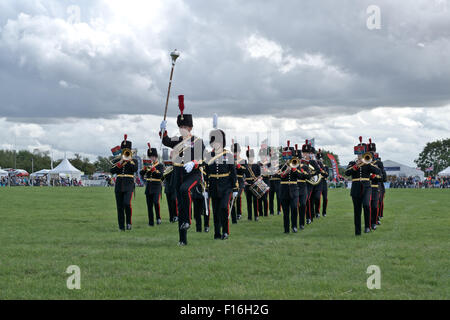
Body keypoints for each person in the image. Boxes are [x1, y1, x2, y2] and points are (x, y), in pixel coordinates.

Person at [160, 95, 205, 246]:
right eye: (180, 128)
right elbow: (165, 141)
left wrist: (194, 163)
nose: (182, 130)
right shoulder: (177, 140)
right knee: (180, 204)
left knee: (185, 190)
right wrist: (162, 130)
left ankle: (188, 221)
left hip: (193, 174)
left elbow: (202, 158)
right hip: (178, 174)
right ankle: (182, 239)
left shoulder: (197, 141)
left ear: (190, 128)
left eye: (184, 127)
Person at [204, 129, 238, 240]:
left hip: (226, 187)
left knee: (224, 208)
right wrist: (205, 187)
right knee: (216, 211)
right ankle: (217, 233)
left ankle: (226, 232)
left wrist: (235, 188)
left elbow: (233, 172)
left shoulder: (228, 155)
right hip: (214, 187)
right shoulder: (209, 156)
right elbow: (205, 173)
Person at [344, 136, 381, 236]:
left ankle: (367, 227)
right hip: (355, 188)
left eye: (362, 153)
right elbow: (346, 173)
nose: (360, 155)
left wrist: (368, 162)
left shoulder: (368, 163)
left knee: (366, 205)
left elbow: (378, 171)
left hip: (366, 187)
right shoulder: (352, 163)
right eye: (359, 153)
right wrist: (356, 166)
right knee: (357, 211)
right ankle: (357, 231)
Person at [110, 134, 138, 231]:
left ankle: (129, 222)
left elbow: (135, 169)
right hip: (119, 184)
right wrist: (121, 162)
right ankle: (121, 226)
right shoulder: (118, 160)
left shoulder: (133, 160)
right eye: (124, 149)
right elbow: (112, 170)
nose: (125, 151)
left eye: (127, 149)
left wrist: (129, 160)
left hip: (129, 184)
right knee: (119, 206)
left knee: (127, 203)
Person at [140, 143, 164, 226]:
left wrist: (154, 169)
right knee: (149, 205)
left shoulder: (160, 165)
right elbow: (141, 174)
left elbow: (161, 175)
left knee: (156, 202)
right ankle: (151, 222)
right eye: (150, 157)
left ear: (156, 156)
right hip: (149, 187)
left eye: (152, 156)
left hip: (157, 186)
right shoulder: (147, 165)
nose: (151, 158)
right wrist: (144, 169)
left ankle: (158, 218)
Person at [244, 146, 261, 221]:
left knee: (255, 201)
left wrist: (257, 179)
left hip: (255, 184)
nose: (251, 158)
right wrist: (244, 181)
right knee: (248, 201)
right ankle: (249, 216)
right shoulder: (245, 166)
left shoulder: (256, 165)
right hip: (247, 185)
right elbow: (242, 176)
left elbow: (259, 175)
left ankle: (256, 216)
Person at [230, 142, 246, 222]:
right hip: (232, 180)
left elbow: (244, 171)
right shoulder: (230, 160)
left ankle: (239, 213)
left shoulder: (243, 160)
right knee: (231, 197)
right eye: (234, 151)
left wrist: (238, 165)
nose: (235, 153)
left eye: (236, 152)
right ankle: (232, 213)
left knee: (238, 196)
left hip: (240, 180)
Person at [313, 149, 329, 218]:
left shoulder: (326, 167)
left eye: (321, 159)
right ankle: (317, 212)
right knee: (317, 198)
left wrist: (321, 168)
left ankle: (324, 212)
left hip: (324, 183)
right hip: (318, 183)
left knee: (325, 198)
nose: (320, 160)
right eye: (318, 159)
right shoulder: (315, 166)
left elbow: (326, 175)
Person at [268, 147, 282, 216]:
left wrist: (278, 173)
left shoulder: (279, 165)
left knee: (279, 197)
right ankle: (271, 211)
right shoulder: (268, 164)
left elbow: (282, 174)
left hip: (278, 182)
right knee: (271, 197)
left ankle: (279, 210)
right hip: (271, 182)